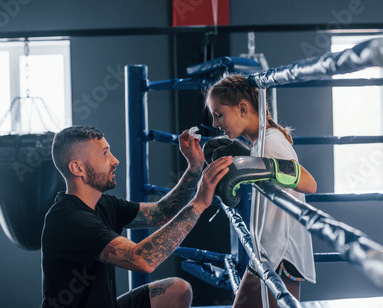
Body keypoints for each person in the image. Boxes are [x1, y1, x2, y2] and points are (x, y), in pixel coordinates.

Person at [41, 125, 233, 308]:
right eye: (104, 154)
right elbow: (143, 260)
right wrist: (198, 204)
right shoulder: (70, 220)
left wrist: (195, 168)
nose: (115, 160)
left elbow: (162, 211)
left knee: (177, 291)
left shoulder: (102, 204)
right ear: (78, 168)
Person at [206, 74, 317, 307]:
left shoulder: (271, 141)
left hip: (282, 252)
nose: (215, 123)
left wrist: (262, 165)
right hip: (267, 250)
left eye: (219, 114)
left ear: (243, 108)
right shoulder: (258, 143)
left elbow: (309, 183)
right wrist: (250, 159)